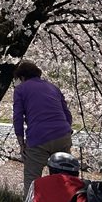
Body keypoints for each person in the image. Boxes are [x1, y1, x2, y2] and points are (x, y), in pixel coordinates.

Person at [13, 60, 73, 195]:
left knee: (32, 180)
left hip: (38, 137)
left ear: (22, 77)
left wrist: (21, 143)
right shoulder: (53, 87)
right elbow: (67, 115)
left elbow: (18, 117)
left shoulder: (20, 89)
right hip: (62, 134)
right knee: (66, 178)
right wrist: (66, 131)